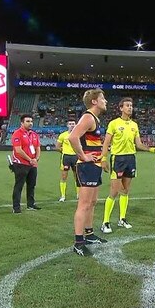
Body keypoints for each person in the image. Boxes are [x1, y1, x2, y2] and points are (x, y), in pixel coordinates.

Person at [100, 97, 155, 234]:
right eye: (127, 105)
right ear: (121, 108)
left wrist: (151, 149)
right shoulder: (114, 123)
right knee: (114, 191)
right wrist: (103, 158)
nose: (130, 107)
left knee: (125, 191)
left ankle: (122, 219)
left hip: (130, 158)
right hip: (118, 159)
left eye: (131, 105)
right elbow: (106, 142)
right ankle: (105, 222)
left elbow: (138, 144)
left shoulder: (134, 125)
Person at [68, 89, 109, 256]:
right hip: (87, 167)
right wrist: (83, 156)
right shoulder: (88, 117)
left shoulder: (95, 119)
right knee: (84, 205)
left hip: (95, 166)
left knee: (92, 203)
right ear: (94, 101)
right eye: (102, 98)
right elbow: (72, 137)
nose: (105, 101)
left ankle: (89, 234)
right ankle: (78, 242)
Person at [10, 114, 41, 214]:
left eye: (31, 121)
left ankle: (30, 204)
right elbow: (18, 150)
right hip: (21, 164)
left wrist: (36, 159)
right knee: (19, 186)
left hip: (32, 164)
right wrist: (30, 159)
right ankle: (16, 207)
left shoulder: (34, 134)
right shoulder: (17, 134)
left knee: (32, 185)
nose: (30, 123)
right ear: (22, 123)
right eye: (27, 121)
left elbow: (38, 148)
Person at [55, 119, 80, 202]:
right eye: (70, 124)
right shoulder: (63, 135)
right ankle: (63, 196)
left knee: (77, 176)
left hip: (76, 157)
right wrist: (64, 152)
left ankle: (78, 195)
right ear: (67, 125)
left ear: (76, 125)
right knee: (64, 176)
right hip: (66, 157)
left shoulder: (79, 135)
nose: (72, 125)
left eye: (73, 123)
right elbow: (57, 147)